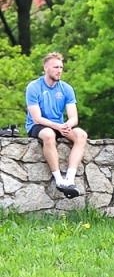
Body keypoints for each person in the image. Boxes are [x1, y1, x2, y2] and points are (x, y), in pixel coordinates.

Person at [25, 51, 88, 198]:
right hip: (38, 126)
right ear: (46, 68)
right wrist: (57, 126)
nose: (59, 70)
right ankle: (59, 180)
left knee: (81, 134)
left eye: (61, 67)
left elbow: (74, 117)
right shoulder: (34, 87)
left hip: (59, 125)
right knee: (48, 134)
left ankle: (69, 180)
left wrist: (67, 125)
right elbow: (37, 118)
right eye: (55, 67)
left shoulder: (66, 88)